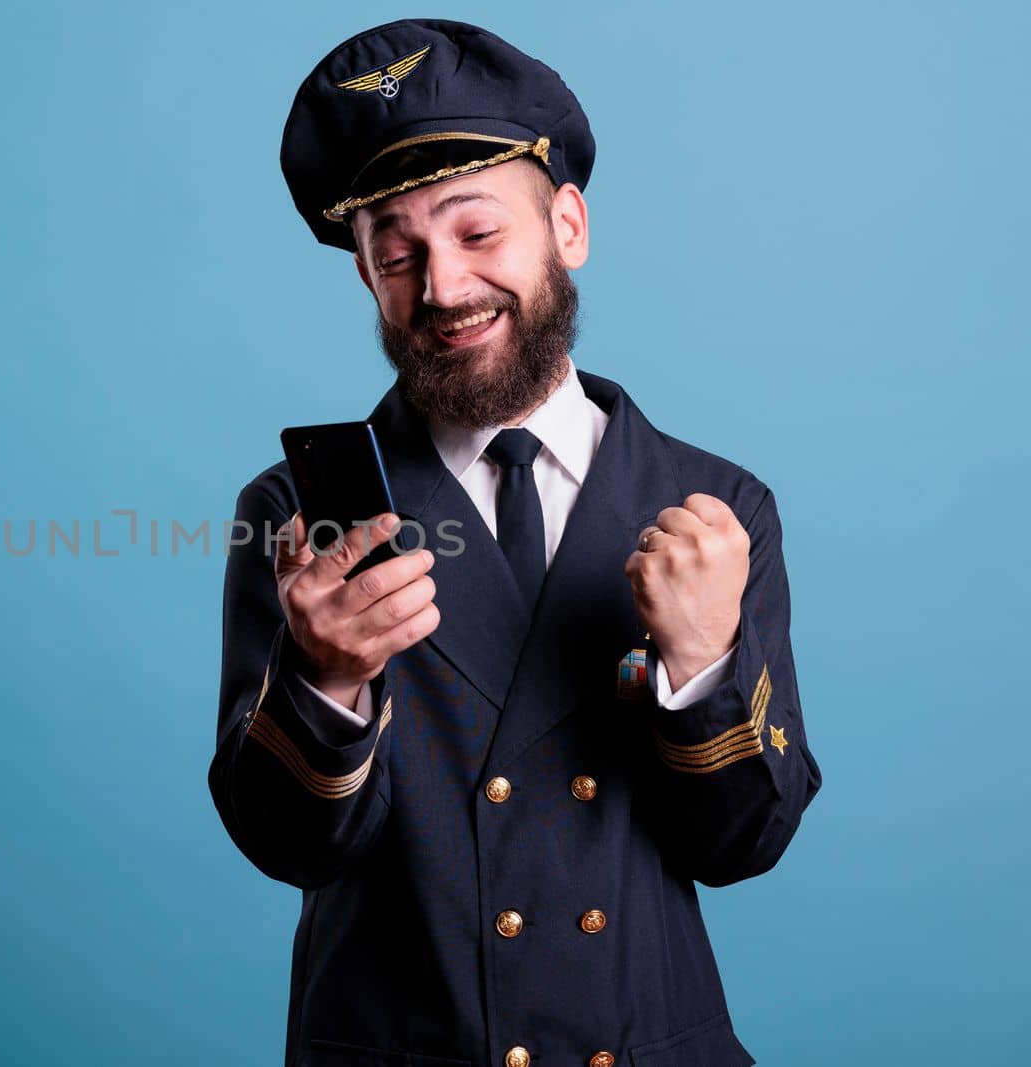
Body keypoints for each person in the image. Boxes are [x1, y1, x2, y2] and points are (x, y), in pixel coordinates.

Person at [207, 18, 822, 1067]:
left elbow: (741, 844)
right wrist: (323, 681)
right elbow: (285, 845)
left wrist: (704, 666)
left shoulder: (715, 504)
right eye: (395, 254)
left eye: (476, 233)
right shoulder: (296, 514)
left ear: (567, 226)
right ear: (365, 276)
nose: (441, 289)